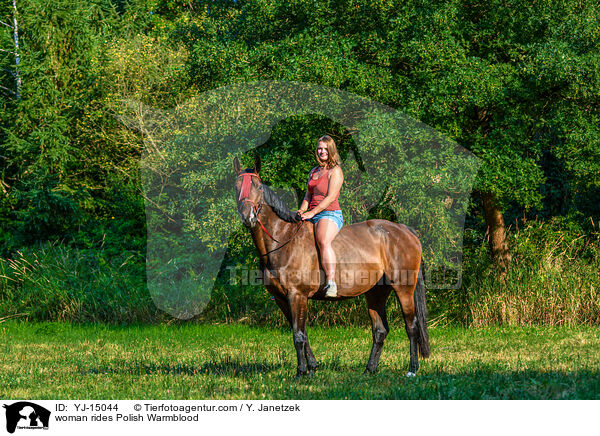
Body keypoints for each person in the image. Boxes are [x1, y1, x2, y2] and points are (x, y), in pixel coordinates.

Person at [296, 135, 344, 297]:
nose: (322, 151)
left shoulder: (335, 171)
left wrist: (312, 212)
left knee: (323, 240)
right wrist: (301, 211)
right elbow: (307, 196)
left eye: (325, 149)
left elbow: (330, 197)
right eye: (319, 148)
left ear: (331, 151)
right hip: (312, 212)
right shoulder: (314, 171)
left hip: (329, 213)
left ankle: (331, 282)